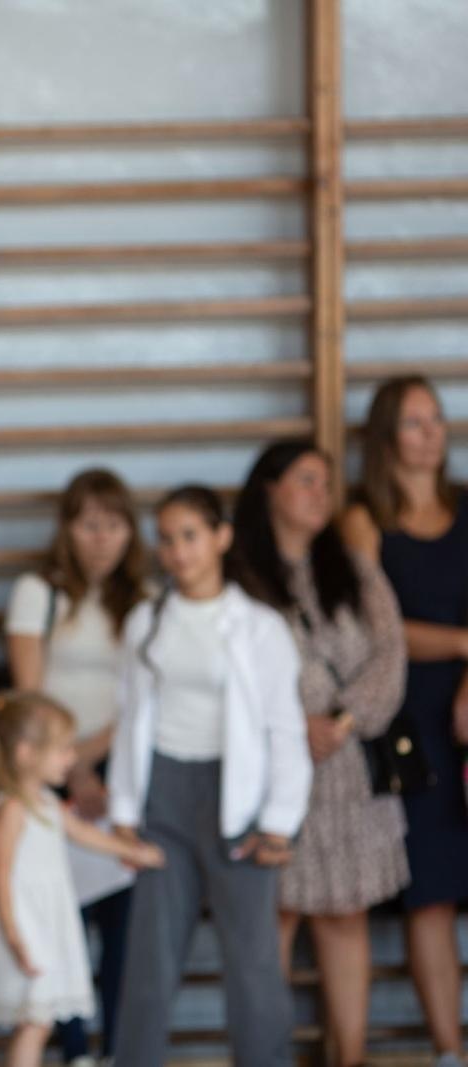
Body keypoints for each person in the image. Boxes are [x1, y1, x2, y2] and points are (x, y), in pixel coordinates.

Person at [108, 485, 312, 1065]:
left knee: (253, 961)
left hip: (237, 802)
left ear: (221, 538)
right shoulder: (144, 622)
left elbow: (284, 729)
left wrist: (280, 822)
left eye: (190, 536)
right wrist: (124, 814)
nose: (177, 552)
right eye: (166, 540)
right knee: (150, 960)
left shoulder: (261, 627)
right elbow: (129, 719)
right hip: (163, 800)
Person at [230, 440, 409, 1067]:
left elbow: (391, 652)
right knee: (271, 919)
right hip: (270, 772)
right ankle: (265, 1054)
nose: (319, 495)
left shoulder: (352, 568)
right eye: (305, 480)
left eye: (326, 484)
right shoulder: (238, 575)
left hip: (348, 771)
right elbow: (225, 672)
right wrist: (287, 725)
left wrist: (344, 718)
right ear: (270, 488)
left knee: (345, 916)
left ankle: (350, 1056)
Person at [342, 376, 468, 1067]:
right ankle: (450, 1050)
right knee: (434, 893)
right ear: (387, 437)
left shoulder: (467, 507)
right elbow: (374, 629)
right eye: (416, 423)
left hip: (463, 711)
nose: (432, 434)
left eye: (438, 419)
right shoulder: (363, 520)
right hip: (405, 721)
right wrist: (461, 644)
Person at [3, 468, 148, 1067]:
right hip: (50, 765)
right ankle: (70, 1045)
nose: (102, 539)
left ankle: (114, 1046)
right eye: (90, 524)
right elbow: (27, 694)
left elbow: (145, 696)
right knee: (58, 916)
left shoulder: (142, 599)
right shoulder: (39, 592)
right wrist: (70, 769)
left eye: (114, 525)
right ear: (67, 528)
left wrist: (99, 764)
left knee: (123, 923)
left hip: (121, 765)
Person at [0, 691, 163, 1067]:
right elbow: (1, 877)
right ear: (26, 753)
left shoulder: (47, 803)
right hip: (26, 928)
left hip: (49, 924)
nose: (72, 758)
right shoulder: (10, 808)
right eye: (62, 749)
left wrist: (135, 852)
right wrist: (13, 935)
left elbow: (85, 835)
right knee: (35, 1022)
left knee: (39, 1020)